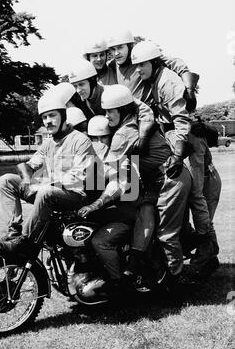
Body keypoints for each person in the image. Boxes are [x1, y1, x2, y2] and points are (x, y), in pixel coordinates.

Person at [78, 85, 192, 293]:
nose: (107, 116)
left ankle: (176, 283)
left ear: (122, 110)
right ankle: (136, 265)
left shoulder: (123, 134)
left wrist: (84, 186)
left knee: (167, 234)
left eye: (111, 112)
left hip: (170, 178)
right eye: (105, 111)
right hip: (156, 180)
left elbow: (110, 174)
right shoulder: (134, 118)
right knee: (145, 210)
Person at [131, 40, 218, 279]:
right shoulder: (157, 77)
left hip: (187, 140)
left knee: (196, 196)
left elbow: (182, 120)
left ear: (153, 62)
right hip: (177, 138)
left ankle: (207, 251)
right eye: (136, 66)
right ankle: (203, 251)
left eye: (142, 65)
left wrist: (179, 154)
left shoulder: (168, 82)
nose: (138, 70)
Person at [0, 89, 99, 256]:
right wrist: (27, 180)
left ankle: (24, 241)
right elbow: (29, 165)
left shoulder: (80, 140)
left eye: (52, 115)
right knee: (6, 180)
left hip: (75, 195)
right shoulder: (48, 142)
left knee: (45, 192)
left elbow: (77, 178)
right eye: (44, 117)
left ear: (63, 115)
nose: (48, 121)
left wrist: (42, 184)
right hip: (49, 192)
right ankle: (14, 232)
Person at [107, 30, 199, 112]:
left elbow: (176, 63)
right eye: (112, 49)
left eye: (120, 47)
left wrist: (190, 90)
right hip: (128, 115)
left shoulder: (142, 57)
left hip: (149, 114)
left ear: (129, 45)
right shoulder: (112, 65)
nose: (116, 53)